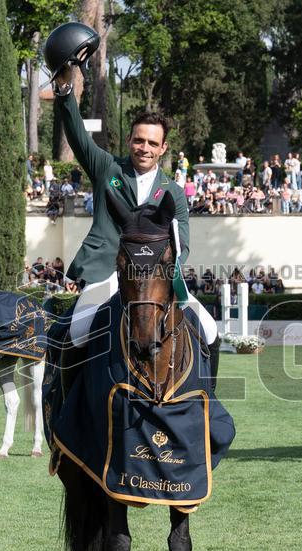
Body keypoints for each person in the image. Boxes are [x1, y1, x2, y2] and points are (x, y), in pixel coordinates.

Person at [52, 58, 218, 350]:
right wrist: (65, 88)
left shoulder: (175, 193)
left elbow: (183, 246)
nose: (145, 148)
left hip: (155, 279)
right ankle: (68, 395)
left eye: (153, 144)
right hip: (106, 272)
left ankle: (208, 394)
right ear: (129, 140)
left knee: (209, 329)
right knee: (77, 332)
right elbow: (77, 136)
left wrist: (161, 276)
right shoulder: (107, 168)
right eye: (139, 141)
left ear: (163, 148)